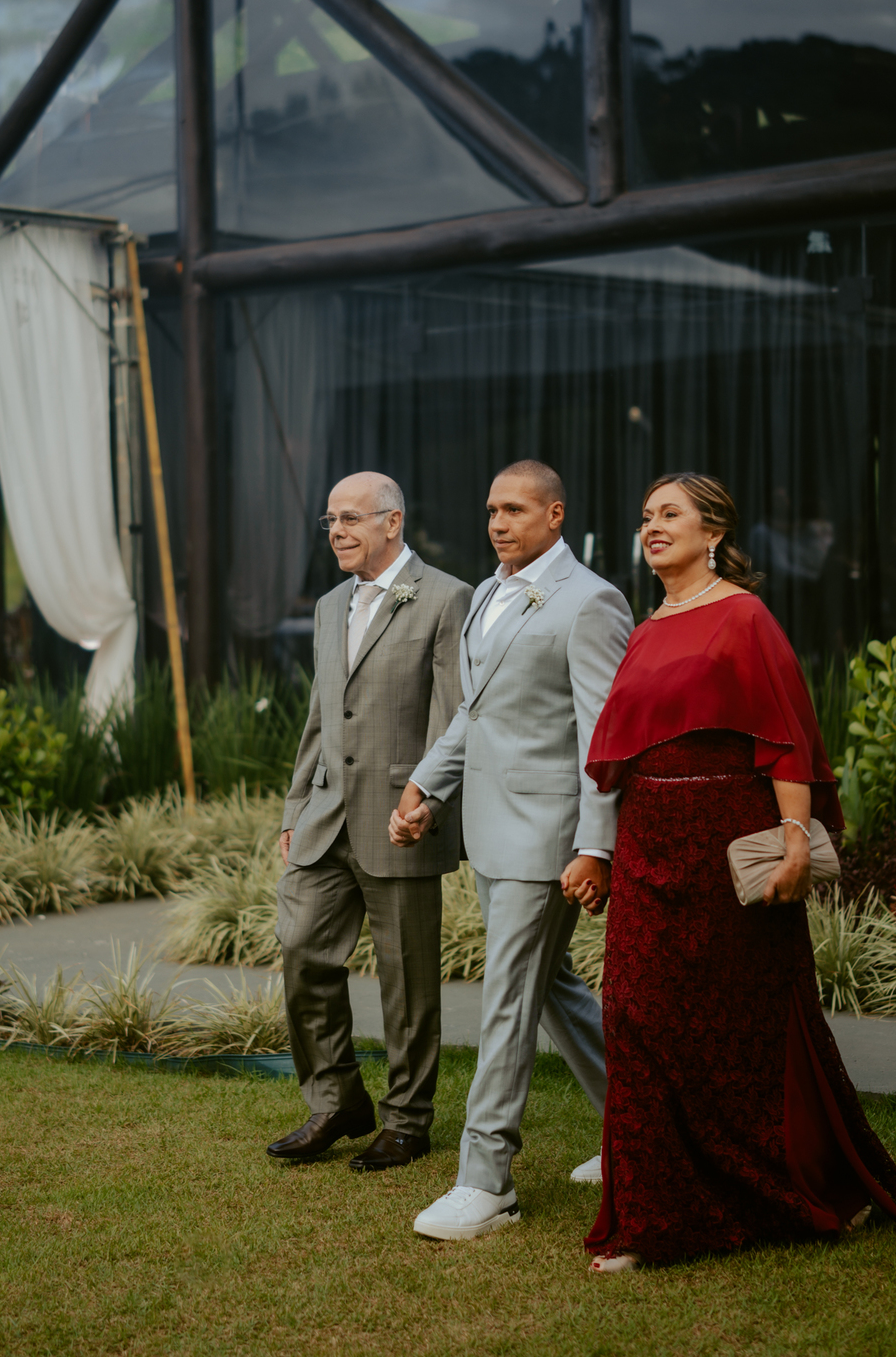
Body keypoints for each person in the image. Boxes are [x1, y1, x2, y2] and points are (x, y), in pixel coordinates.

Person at [581, 471, 896, 1272]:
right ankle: (653, 1217)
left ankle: (786, 1186)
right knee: (633, 1017)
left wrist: (795, 836)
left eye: (671, 514)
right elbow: (623, 760)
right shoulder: (645, 630)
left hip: (728, 841)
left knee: (747, 1027)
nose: (653, 526)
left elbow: (784, 738)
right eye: (646, 516)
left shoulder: (745, 617)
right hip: (649, 841)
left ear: (714, 532)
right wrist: (600, 853)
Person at [390, 459, 633, 1240]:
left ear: (555, 515)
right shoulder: (488, 594)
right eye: (492, 509)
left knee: (506, 1000)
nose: (498, 523)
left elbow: (604, 737)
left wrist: (596, 846)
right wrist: (427, 787)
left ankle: (485, 1181)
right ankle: (640, 1131)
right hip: (492, 833)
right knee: (550, 987)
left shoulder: (590, 601)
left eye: (516, 510)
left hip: (547, 840)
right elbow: (476, 714)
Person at [269, 471, 472, 1171]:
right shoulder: (330, 605)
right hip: (325, 816)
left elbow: (454, 717)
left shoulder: (447, 598)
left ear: (392, 521)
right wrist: (297, 806)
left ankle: (408, 1121)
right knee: (301, 949)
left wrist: (430, 802)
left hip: (401, 817)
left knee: (406, 981)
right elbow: (321, 716)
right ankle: (337, 1101)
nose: (337, 532)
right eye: (330, 520)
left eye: (351, 518)